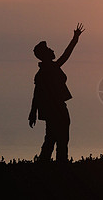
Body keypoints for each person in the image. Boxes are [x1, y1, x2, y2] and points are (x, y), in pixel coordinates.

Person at [28, 23, 85, 163]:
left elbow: (66, 55)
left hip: (56, 109)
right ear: (45, 55)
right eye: (48, 49)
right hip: (55, 109)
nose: (52, 50)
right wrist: (32, 112)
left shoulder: (49, 68)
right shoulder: (45, 72)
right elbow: (37, 94)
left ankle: (52, 164)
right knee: (56, 139)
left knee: (55, 139)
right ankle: (57, 165)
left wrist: (75, 38)